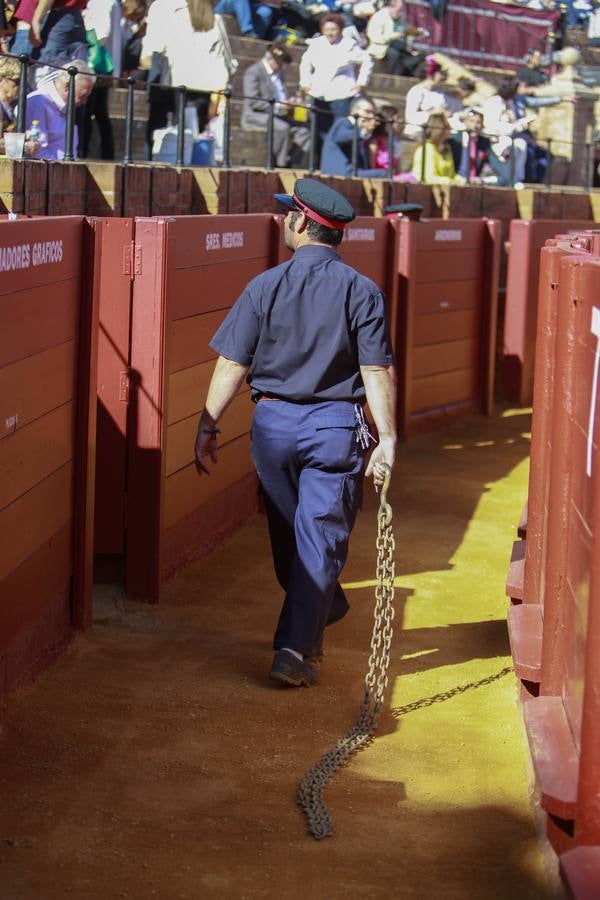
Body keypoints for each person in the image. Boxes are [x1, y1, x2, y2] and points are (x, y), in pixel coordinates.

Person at [194, 177, 396, 687]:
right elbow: (375, 370)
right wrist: (388, 438)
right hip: (334, 426)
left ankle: (294, 646)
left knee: (293, 533)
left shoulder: (265, 286)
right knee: (314, 535)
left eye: (289, 214)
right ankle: (314, 616)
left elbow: (232, 363)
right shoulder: (362, 291)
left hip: (274, 427)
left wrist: (209, 421)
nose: (284, 220)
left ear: (302, 223)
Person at [140, 0, 237, 156]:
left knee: (159, 129)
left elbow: (154, 48)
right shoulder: (213, 18)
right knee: (193, 134)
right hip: (202, 85)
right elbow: (226, 57)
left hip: (168, 79)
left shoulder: (165, 7)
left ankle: (153, 162)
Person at [299, 12, 373, 151]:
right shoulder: (317, 44)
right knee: (319, 131)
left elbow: (367, 60)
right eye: (326, 29)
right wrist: (305, 82)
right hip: (319, 94)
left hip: (342, 94)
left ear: (340, 29)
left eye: (333, 29)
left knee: (337, 130)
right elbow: (305, 63)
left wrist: (361, 82)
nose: (330, 33)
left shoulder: (349, 44)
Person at [241, 41, 310, 168]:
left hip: (277, 115)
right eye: (279, 63)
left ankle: (293, 164)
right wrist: (278, 106)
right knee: (282, 127)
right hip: (255, 115)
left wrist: (291, 102)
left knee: (304, 131)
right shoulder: (254, 72)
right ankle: (279, 165)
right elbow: (253, 101)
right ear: (270, 59)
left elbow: (281, 96)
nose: (281, 67)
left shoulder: (279, 74)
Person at [24, 60, 94, 159]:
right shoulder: (38, 102)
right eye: (82, 96)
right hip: (47, 167)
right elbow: (37, 151)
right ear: (67, 86)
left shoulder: (67, 105)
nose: (85, 101)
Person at [320, 94, 388, 176]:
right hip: (340, 171)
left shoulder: (357, 130)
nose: (371, 116)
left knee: (384, 173)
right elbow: (341, 137)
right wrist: (364, 131)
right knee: (383, 173)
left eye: (373, 113)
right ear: (354, 111)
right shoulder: (343, 122)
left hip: (352, 171)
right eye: (367, 112)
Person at [452, 109, 511, 186]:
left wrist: (482, 180)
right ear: (465, 122)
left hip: (473, 185)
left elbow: (502, 174)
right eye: (471, 121)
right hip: (454, 183)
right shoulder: (455, 139)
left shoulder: (483, 143)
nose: (475, 126)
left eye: (478, 122)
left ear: (482, 125)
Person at [366, 0, 425, 76]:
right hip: (381, 48)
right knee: (394, 54)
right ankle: (390, 78)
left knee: (417, 58)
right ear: (391, 7)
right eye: (399, 10)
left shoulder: (399, 19)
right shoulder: (379, 17)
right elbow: (375, 38)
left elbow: (407, 30)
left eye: (402, 10)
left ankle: (406, 79)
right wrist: (395, 35)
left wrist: (416, 32)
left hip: (398, 48)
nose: (401, 13)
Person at [403, 55, 448, 140]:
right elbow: (410, 117)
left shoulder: (439, 94)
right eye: (440, 74)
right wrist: (432, 113)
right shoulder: (416, 91)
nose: (443, 77)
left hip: (435, 133)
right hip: (417, 132)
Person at [411, 111, 460, 184]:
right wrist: (451, 182)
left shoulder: (447, 148)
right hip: (421, 188)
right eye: (447, 126)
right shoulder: (427, 148)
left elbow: (452, 175)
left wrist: (466, 180)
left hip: (443, 188)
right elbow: (430, 178)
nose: (450, 128)